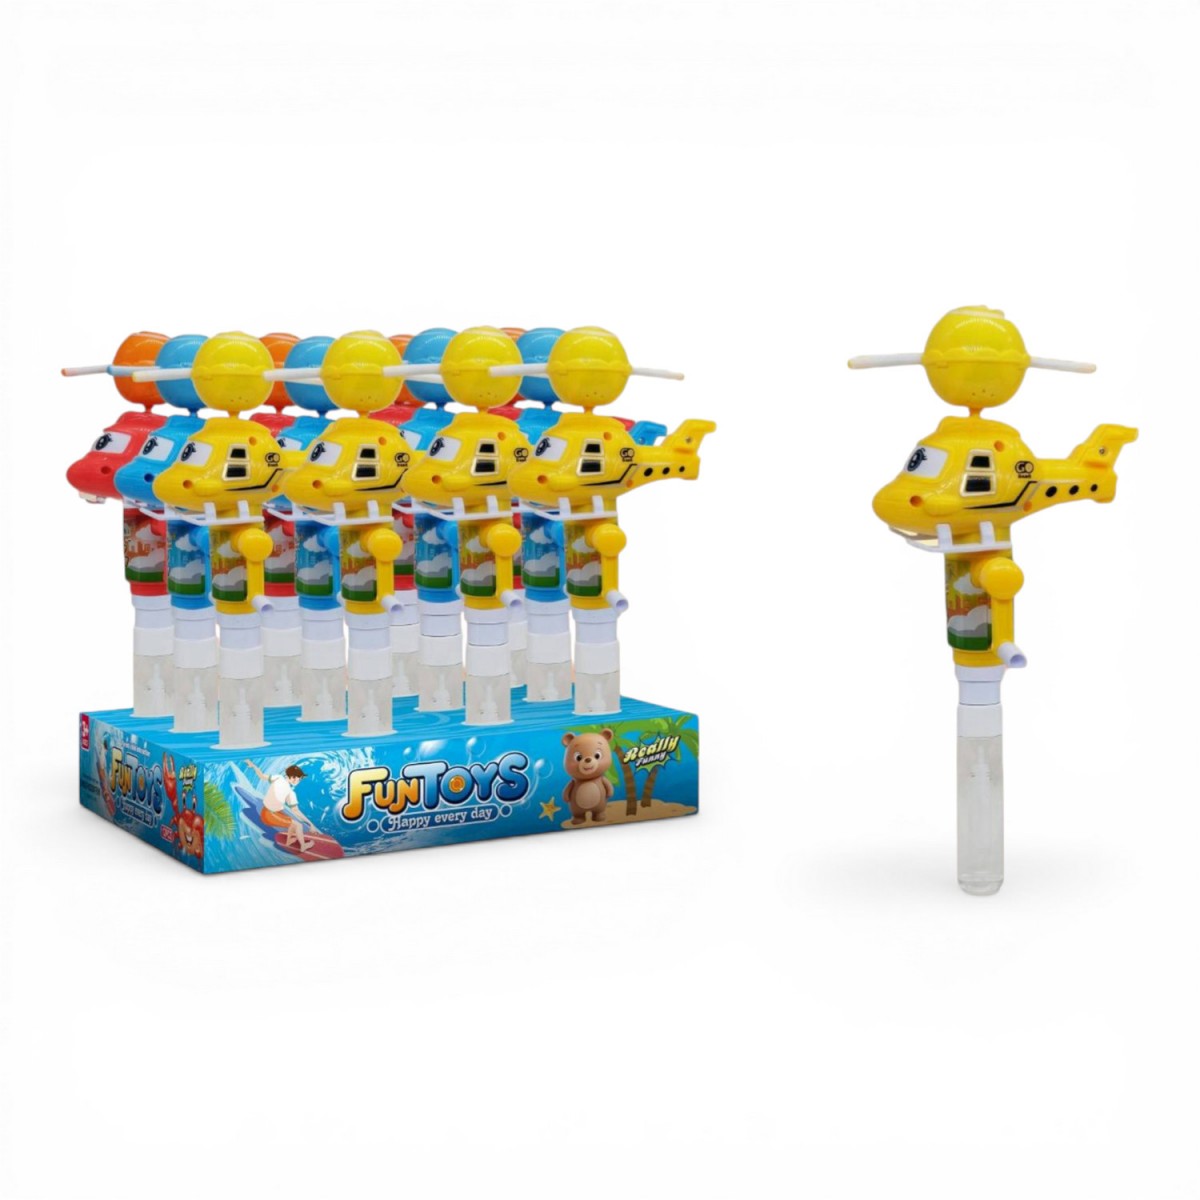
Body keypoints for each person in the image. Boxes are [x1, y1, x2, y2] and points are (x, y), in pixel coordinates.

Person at [244, 761, 315, 852]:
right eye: (299, 779)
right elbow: (296, 811)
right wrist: (311, 824)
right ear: (293, 778)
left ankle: (289, 841)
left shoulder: (278, 778)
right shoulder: (290, 793)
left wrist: (254, 766)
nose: (299, 781)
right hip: (270, 815)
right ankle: (303, 846)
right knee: (298, 826)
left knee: (292, 822)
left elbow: (261, 776)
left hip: (265, 811)